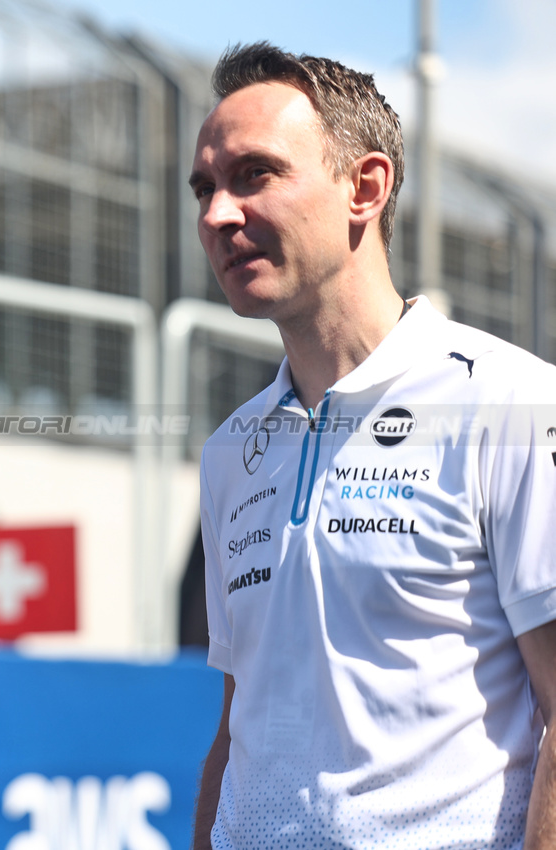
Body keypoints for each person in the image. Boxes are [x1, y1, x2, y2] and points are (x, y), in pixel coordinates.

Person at [187, 42, 556, 849]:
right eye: (205, 188)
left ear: (365, 187)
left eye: (253, 175)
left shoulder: (509, 400)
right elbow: (235, 724)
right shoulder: (229, 452)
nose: (217, 214)